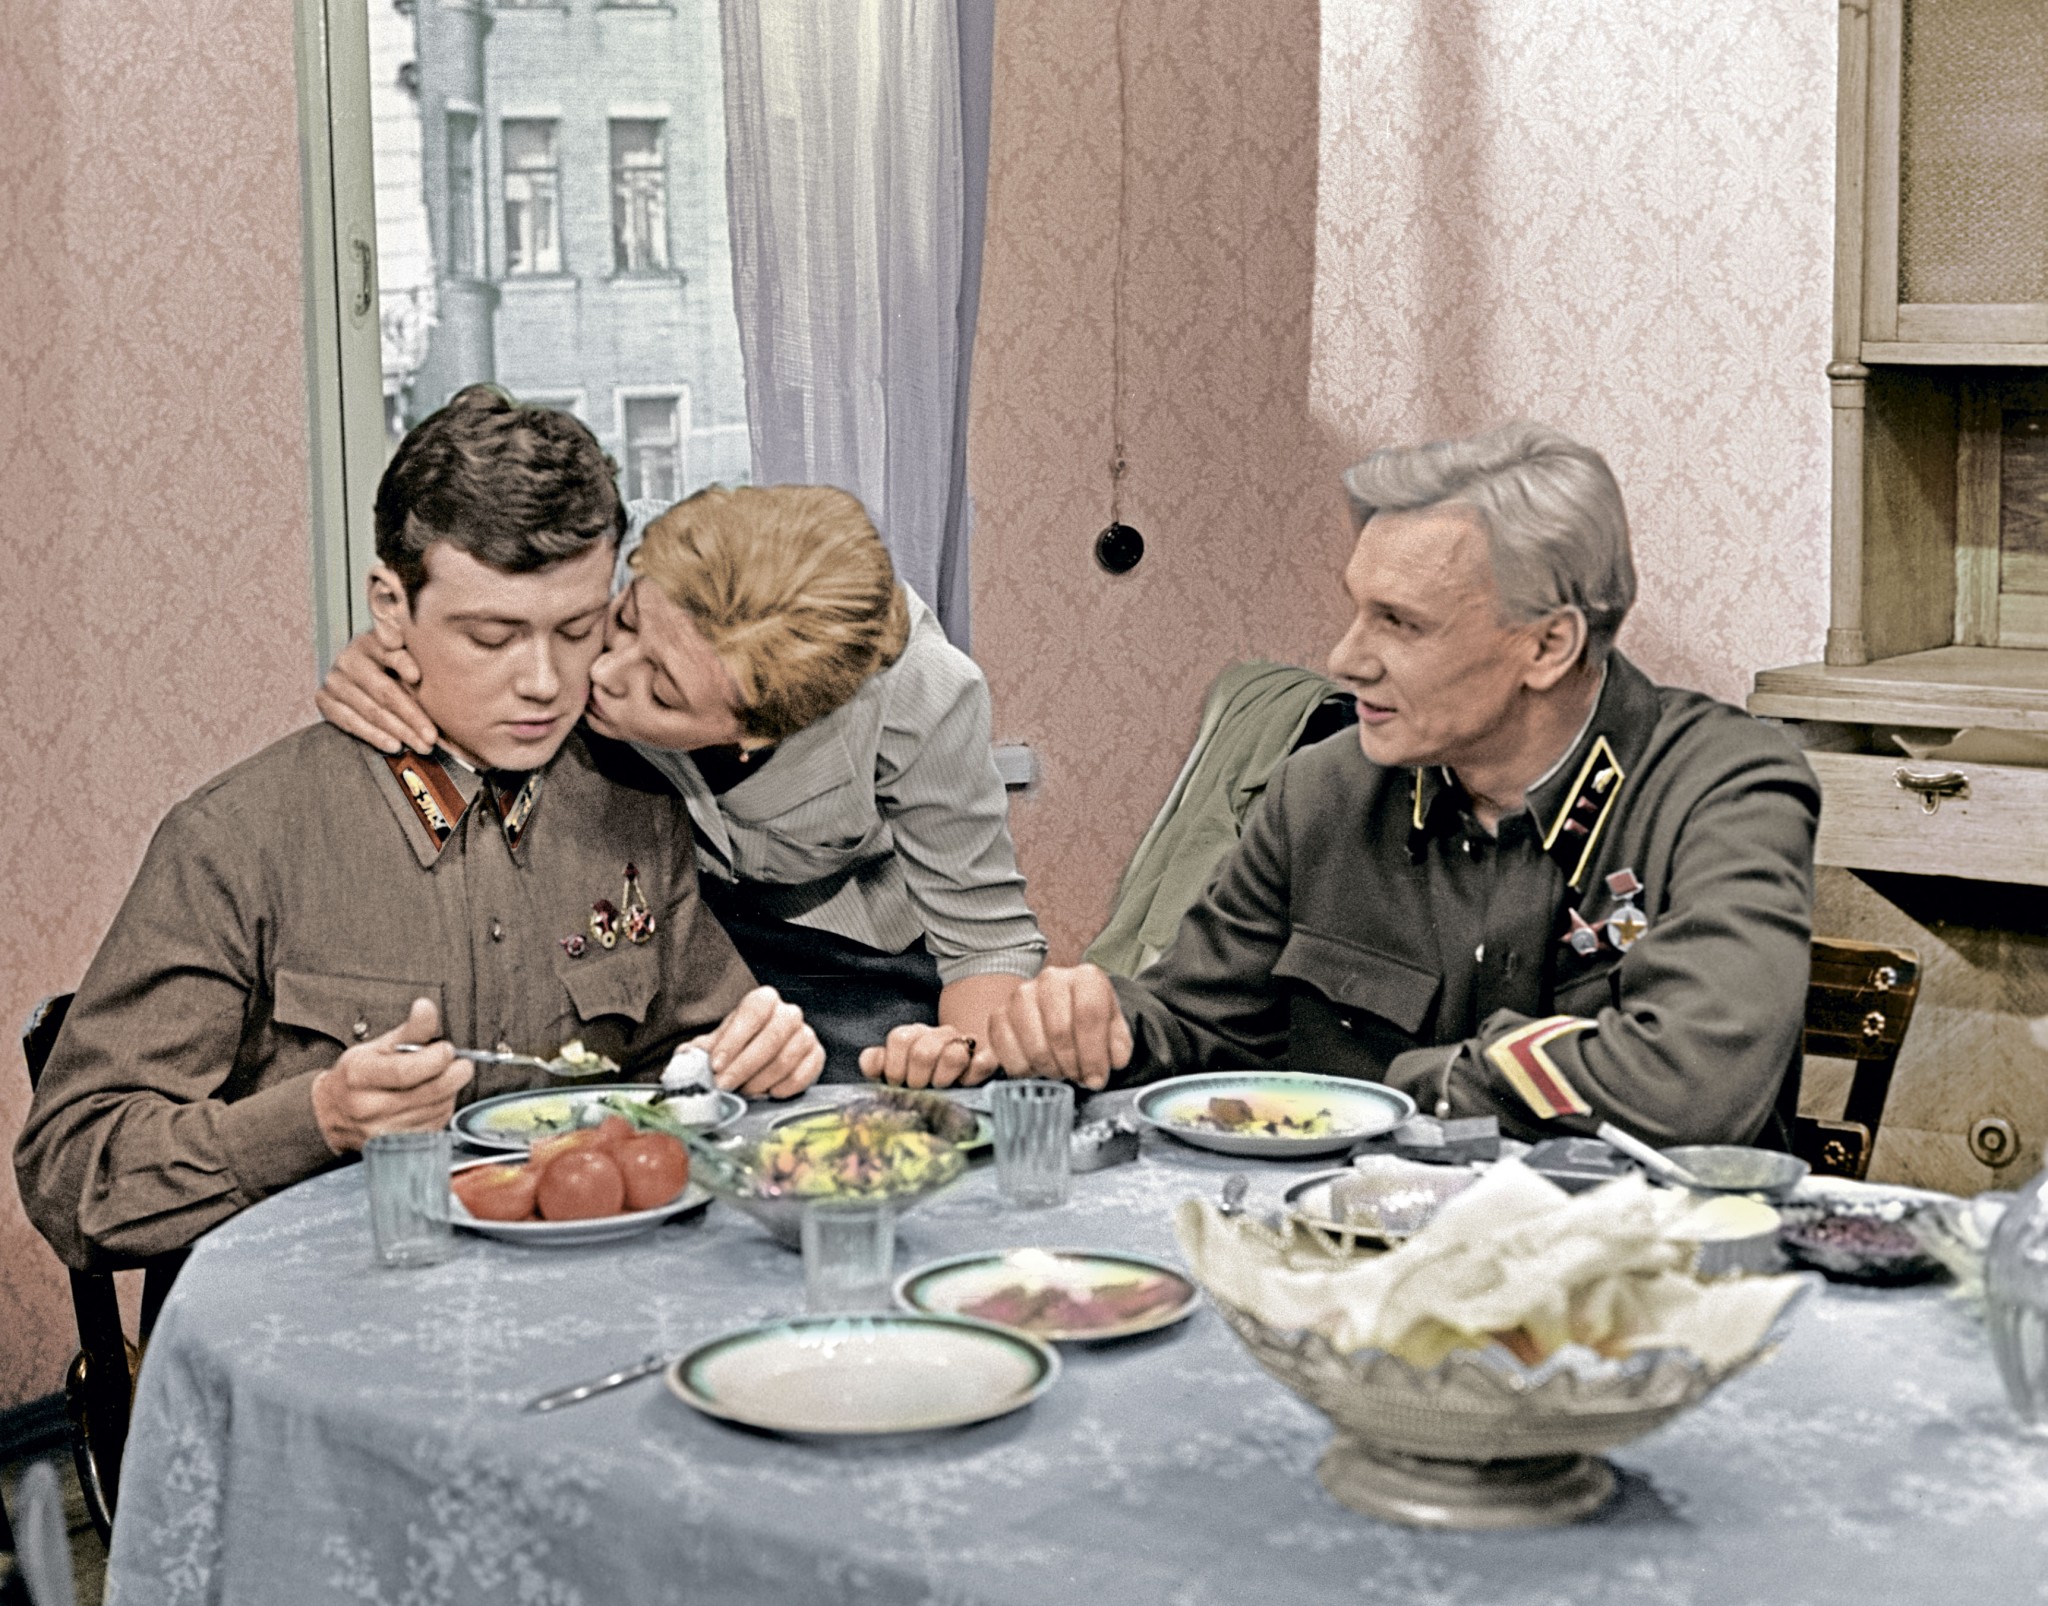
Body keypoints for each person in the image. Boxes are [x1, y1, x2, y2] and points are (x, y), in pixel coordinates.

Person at [16, 387, 820, 1269]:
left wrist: (753, 1058)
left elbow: (701, 1066)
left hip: (593, 1296)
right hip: (326, 1312)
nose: (545, 681)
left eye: (577, 629)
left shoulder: (634, 811)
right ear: (391, 608)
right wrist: (316, 1119)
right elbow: (71, 1176)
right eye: (492, 637)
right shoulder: (236, 841)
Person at [984, 421, 1821, 1149]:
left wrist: (1407, 1090)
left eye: (1400, 623)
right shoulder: (1321, 792)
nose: (1345, 659)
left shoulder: (1725, 789)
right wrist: (1092, 1024)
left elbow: (1692, 1088)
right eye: (1357, 610)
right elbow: (1198, 1027)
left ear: (1547, 646)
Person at [318, 482, 1046, 1089]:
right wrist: (393, 659)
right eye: (625, 621)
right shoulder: (599, 589)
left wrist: (954, 1065)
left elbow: (986, 947)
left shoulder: (922, 694)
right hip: (651, 945)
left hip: (849, 961)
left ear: (756, 733)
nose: (605, 673)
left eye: (662, 694)